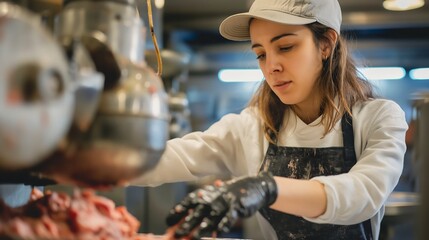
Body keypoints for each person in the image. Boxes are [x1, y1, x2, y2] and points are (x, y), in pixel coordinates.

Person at [131, 0, 408, 239]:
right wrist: (94, 160)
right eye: (261, 54)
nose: (271, 66)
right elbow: (169, 158)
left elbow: (362, 194)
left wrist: (266, 187)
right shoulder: (253, 126)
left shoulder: (378, 118)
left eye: (285, 47)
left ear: (326, 44)